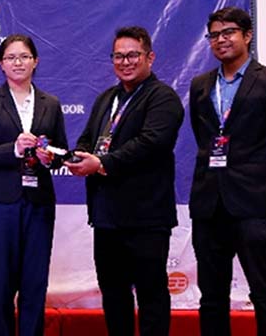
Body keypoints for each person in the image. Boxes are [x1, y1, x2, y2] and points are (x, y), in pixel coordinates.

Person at [65, 26, 183, 336]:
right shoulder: (107, 98)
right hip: (107, 217)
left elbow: (150, 144)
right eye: (119, 56)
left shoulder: (163, 98)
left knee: (151, 296)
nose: (125, 62)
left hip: (146, 218)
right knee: (114, 295)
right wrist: (78, 156)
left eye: (133, 55)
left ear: (149, 57)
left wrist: (101, 163)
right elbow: (89, 138)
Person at [0, 34, 68, 336]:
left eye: (24, 56)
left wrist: (49, 157)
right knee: (1, 281)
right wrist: (13, 149)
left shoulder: (51, 103)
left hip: (39, 202)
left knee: (35, 281)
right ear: (1, 64)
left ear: (35, 61)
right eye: (11, 57)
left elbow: (61, 153)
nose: (18, 62)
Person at [189, 6, 266, 336]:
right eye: (214, 35)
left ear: (247, 36)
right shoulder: (200, 85)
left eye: (228, 33)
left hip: (253, 203)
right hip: (209, 203)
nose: (221, 40)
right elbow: (203, 135)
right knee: (211, 296)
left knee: (265, 291)